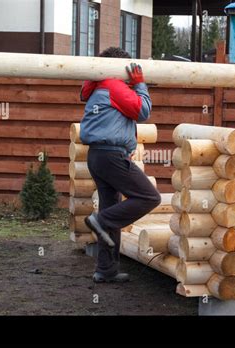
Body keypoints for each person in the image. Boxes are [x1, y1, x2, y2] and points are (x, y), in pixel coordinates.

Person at [80, 47, 161, 283]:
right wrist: (140, 85)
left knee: (111, 208)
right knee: (149, 197)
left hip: (97, 156)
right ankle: (100, 222)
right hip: (111, 157)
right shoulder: (114, 86)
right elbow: (142, 111)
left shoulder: (98, 86)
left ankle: (105, 270)